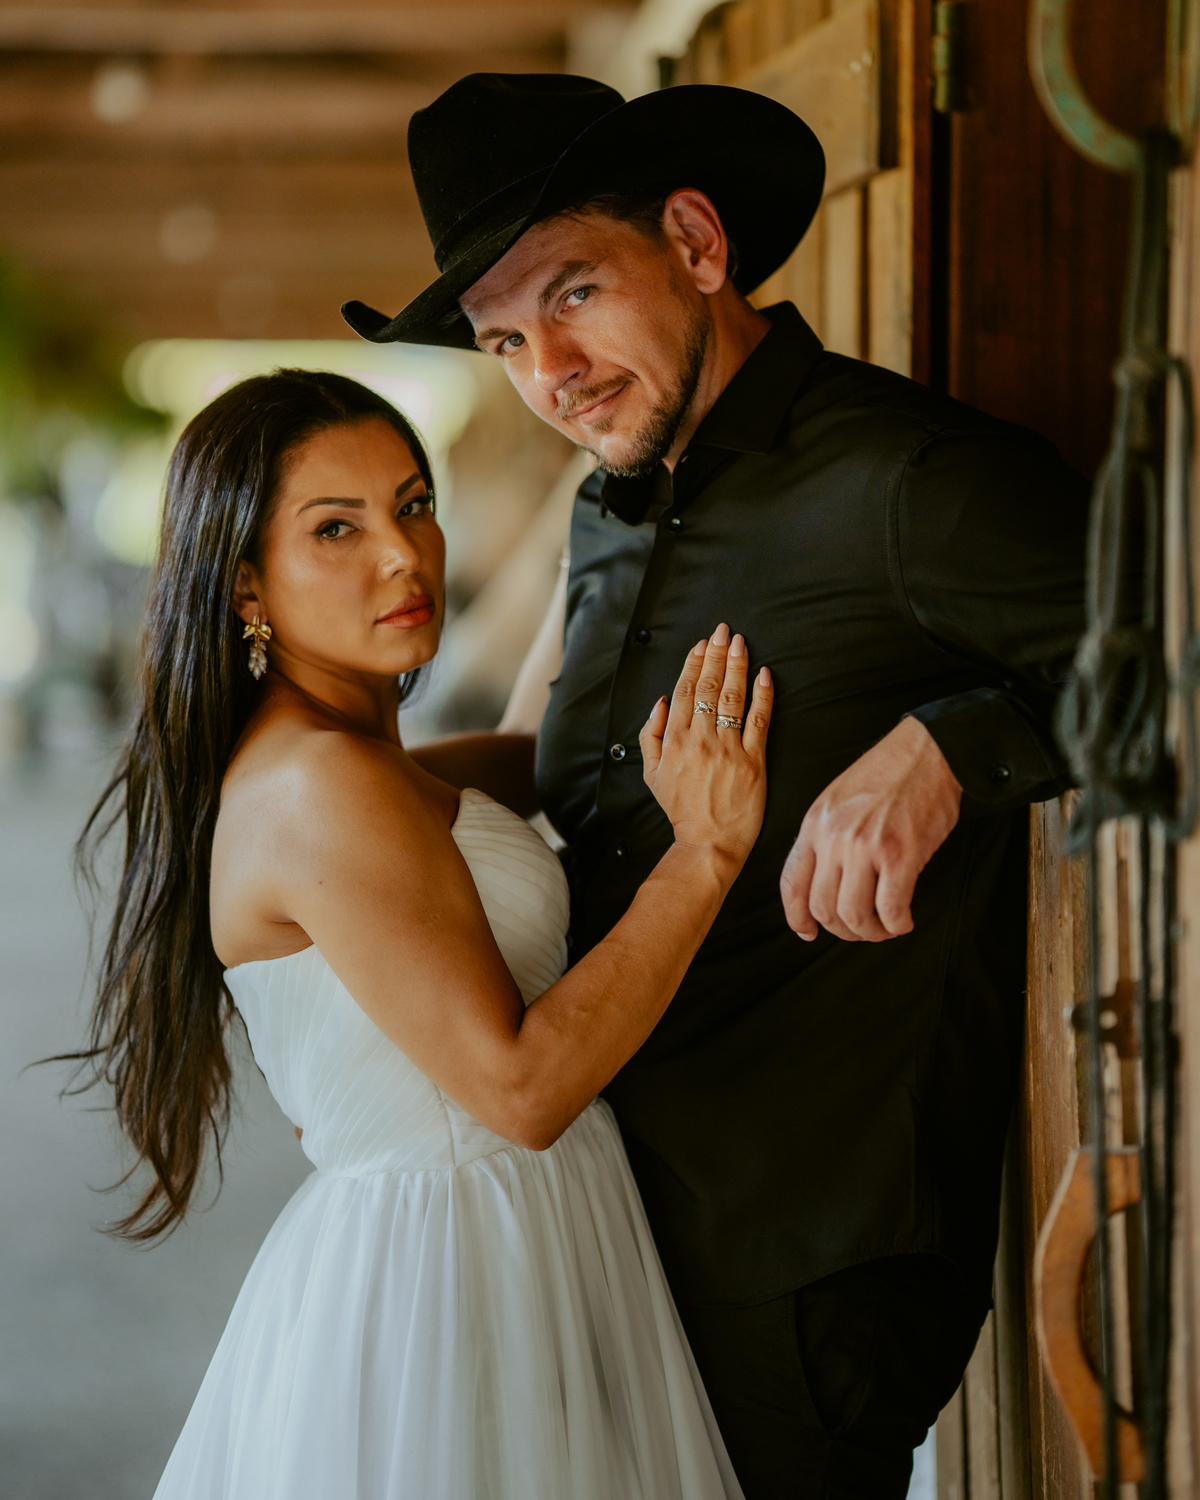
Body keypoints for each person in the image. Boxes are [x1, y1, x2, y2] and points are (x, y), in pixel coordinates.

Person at [342, 74, 1091, 1497]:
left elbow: (1165, 648)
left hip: (802, 1255)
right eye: (505, 339)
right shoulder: (608, 501)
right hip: (611, 1221)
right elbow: (569, 762)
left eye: (572, 293)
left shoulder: (908, 480)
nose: (548, 369)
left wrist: (955, 746)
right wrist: (315, 788)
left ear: (694, 241)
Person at [78, 368, 776, 1498]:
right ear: (247, 583)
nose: (402, 556)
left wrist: (599, 527)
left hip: (514, 1233)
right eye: (336, 530)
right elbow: (522, 1090)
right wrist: (708, 856)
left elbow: (532, 755)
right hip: (451, 1279)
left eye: (412, 504)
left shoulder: (359, 763)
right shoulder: (314, 788)